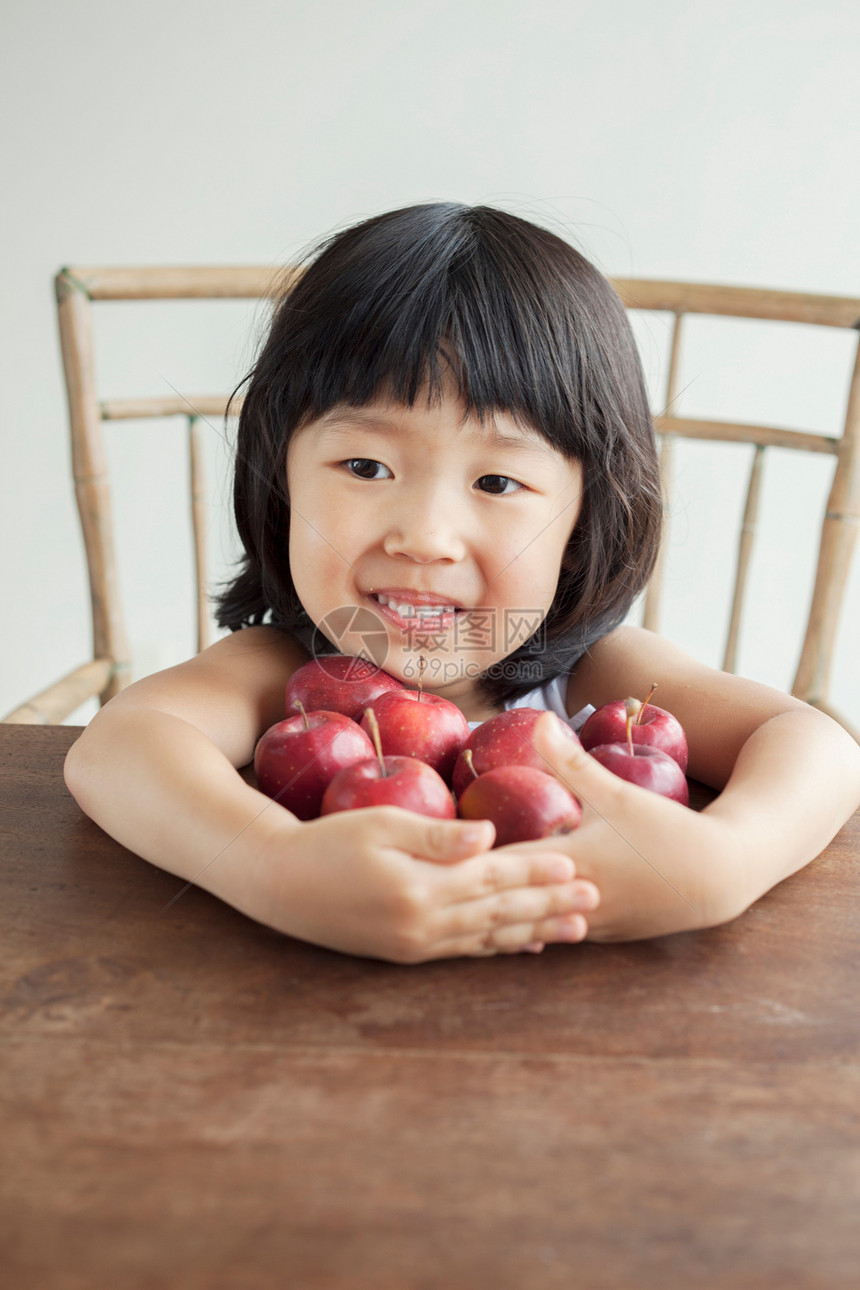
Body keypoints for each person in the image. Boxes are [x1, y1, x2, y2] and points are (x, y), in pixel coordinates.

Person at [64, 202, 860, 962]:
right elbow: (116, 751)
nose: (424, 537)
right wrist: (274, 869)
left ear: (581, 525)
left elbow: (818, 748)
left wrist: (725, 863)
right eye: (366, 466)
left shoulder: (595, 677)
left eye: (497, 483)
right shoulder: (286, 678)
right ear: (281, 486)